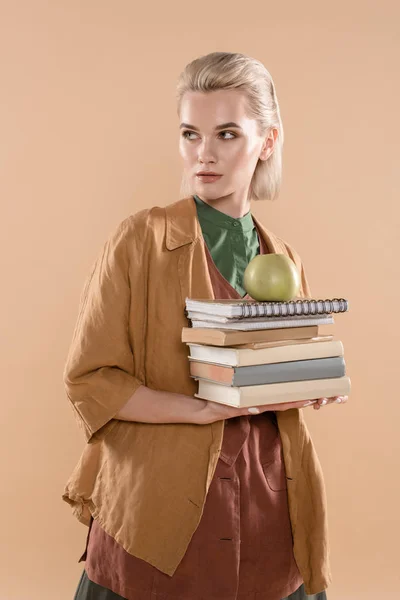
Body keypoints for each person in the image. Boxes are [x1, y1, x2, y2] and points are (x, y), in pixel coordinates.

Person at [63, 51, 348, 600]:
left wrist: (309, 385)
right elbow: (91, 380)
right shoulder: (139, 240)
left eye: (227, 134)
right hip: (157, 517)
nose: (205, 154)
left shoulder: (282, 257)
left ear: (266, 141)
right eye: (191, 134)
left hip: (270, 511)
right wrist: (198, 409)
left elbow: (279, 373)